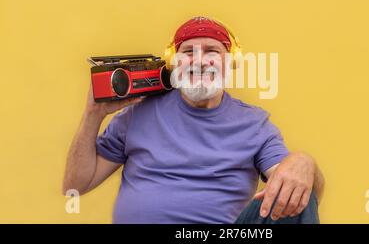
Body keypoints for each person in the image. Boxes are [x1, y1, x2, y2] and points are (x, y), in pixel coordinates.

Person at [63, 16, 325, 223]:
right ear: (174, 63)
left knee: (298, 184)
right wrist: (92, 115)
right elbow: (76, 185)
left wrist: (305, 163)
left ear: (229, 62)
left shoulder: (255, 125)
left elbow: (298, 196)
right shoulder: (137, 113)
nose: (199, 61)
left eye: (211, 51)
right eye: (188, 52)